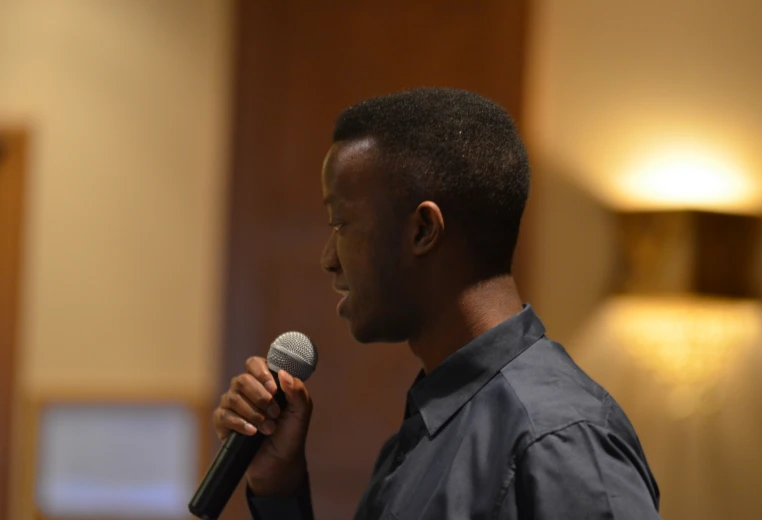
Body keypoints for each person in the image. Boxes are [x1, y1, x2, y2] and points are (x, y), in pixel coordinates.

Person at [212, 88, 661, 519]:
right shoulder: (426, 432)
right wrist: (279, 488)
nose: (328, 259)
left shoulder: (558, 438)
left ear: (424, 230)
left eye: (341, 223)